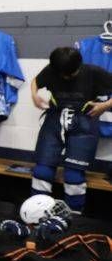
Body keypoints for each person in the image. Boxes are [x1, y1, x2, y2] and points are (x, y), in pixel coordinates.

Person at [30, 47, 112, 214]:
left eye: (70, 74)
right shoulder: (52, 69)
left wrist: (105, 105)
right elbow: (35, 82)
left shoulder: (93, 72)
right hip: (54, 119)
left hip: (84, 121)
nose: (65, 77)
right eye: (62, 74)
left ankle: (74, 218)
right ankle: (36, 214)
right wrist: (34, 95)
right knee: (42, 171)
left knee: (73, 177)